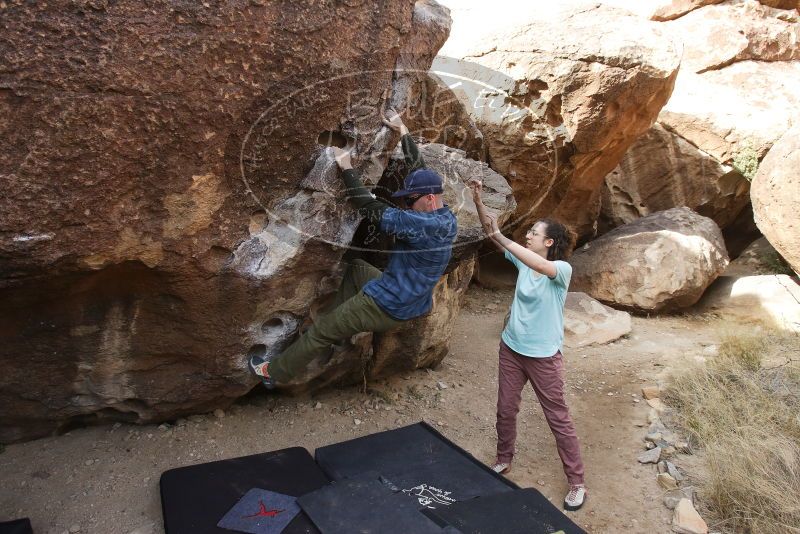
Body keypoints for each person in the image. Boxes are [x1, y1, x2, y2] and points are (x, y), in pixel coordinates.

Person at [249, 110, 458, 389]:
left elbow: (369, 208)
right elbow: (418, 167)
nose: (407, 204)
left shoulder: (418, 223)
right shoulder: (446, 218)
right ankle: (339, 318)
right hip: (410, 301)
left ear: (429, 199)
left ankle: (273, 373)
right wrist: (403, 130)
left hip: (387, 304)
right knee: (357, 268)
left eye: (411, 200)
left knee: (322, 333)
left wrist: (345, 166)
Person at [469, 179, 587, 512]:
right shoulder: (524, 260)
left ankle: (577, 482)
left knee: (558, 418)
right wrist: (479, 202)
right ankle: (503, 459)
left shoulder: (560, 269)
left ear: (549, 242)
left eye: (534, 233)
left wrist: (503, 236)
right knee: (505, 408)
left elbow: (535, 262)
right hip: (512, 348)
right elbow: (493, 235)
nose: (529, 236)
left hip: (543, 357)